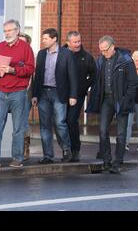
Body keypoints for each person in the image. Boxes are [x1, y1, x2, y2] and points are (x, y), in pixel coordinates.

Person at [0, 19, 35, 168]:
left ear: (17, 31)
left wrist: (13, 70)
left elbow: (30, 69)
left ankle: (17, 158)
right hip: (1, 91)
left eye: (10, 30)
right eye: (5, 31)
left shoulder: (26, 48)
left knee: (18, 128)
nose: (7, 33)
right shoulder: (0, 46)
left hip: (18, 93)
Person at [86, 36, 137, 174]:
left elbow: (133, 83)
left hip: (122, 100)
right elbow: (95, 80)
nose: (103, 53)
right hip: (106, 100)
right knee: (103, 130)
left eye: (105, 50)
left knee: (121, 133)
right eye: (101, 50)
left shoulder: (125, 60)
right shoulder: (100, 61)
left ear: (113, 46)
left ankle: (118, 162)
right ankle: (106, 161)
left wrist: (127, 101)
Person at [32, 28, 78, 164]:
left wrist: (73, 95)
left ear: (54, 39)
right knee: (44, 126)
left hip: (59, 93)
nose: (43, 41)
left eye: (46, 38)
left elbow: (73, 76)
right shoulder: (41, 54)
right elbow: (37, 76)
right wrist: (35, 94)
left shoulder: (66, 54)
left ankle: (66, 149)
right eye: (43, 38)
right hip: (43, 93)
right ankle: (48, 155)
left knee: (60, 123)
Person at [61, 31, 97, 162]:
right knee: (60, 121)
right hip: (62, 93)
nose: (78, 44)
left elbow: (93, 75)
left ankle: (75, 150)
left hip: (78, 95)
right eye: (75, 42)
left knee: (71, 120)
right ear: (68, 42)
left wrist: (83, 87)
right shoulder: (60, 54)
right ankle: (65, 149)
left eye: (79, 41)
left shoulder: (86, 57)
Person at [18, 33, 33, 161]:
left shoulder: (32, 57)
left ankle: (25, 147)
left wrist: (34, 95)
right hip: (11, 92)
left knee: (23, 121)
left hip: (26, 93)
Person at [125, 51, 138, 151]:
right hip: (130, 100)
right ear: (132, 59)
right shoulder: (128, 69)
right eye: (136, 60)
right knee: (128, 123)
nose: (137, 62)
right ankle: (125, 143)